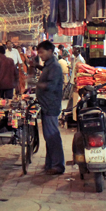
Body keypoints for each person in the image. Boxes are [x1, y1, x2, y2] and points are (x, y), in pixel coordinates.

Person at [35, 41, 65, 175]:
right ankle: (50, 164)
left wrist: (36, 84)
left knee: (52, 136)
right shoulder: (49, 65)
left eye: (42, 52)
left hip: (50, 105)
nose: (40, 55)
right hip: (46, 105)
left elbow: (51, 85)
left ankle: (57, 165)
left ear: (50, 51)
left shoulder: (55, 67)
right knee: (48, 136)